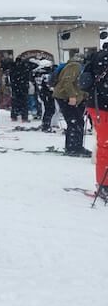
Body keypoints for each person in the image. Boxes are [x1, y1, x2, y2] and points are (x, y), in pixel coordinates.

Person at [52, 53, 91, 157]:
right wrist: (72, 96)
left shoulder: (74, 65)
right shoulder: (75, 66)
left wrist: (83, 95)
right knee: (74, 121)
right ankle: (73, 148)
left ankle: (74, 146)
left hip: (66, 96)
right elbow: (67, 82)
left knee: (76, 121)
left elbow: (76, 84)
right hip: (65, 97)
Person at [82, 49, 108, 196]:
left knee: (104, 145)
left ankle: (104, 184)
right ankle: (104, 185)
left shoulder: (98, 56)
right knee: (105, 145)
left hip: (97, 105)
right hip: (101, 106)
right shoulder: (102, 57)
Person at [7, 55, 33, 123]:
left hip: (15, 87)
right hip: (23, 87)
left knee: (15, 102)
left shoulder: (12, 67)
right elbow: (33, 67)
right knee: (24, 103)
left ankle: (14, 116)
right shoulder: (25, 67)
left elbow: (10, 76)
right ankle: (24, 118)